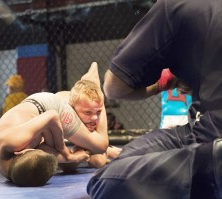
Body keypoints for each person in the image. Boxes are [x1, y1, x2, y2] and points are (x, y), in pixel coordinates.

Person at [87, 0, 222, 198]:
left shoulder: (175, 5)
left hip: (214, 131)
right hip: (204, 124)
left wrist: (165, 81)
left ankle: (216, 164)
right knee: (128, 157)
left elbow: (114, 87)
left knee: (105, 181)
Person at [0, 63, 109, 187]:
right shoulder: (15, 170)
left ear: (22, 151)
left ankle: (93, 84)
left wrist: (66, 154)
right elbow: (41, 152)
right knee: (70, 167)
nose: (42, 149)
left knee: (100, 145)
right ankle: (87, 147)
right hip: (39, 123)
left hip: (48, 107)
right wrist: (72, 158)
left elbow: (52, 115)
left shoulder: (13, 141)